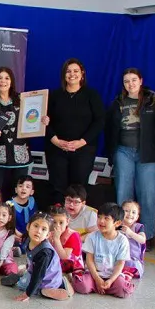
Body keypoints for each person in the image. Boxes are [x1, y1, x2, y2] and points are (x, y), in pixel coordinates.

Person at [105, 68, 155, 240]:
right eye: (126, 81)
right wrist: (112, 155)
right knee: (123, 194)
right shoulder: (117, 103)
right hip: (123, 152)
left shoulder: (153, 103)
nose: (130, 84)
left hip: (148, 154)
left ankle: (147, 236)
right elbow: (110, 131)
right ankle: (122, 235)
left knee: (148, 196)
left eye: (133, 80)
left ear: (140, 81)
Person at [44, 58, 106, 204]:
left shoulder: (92, 95)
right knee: (57, 188)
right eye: (68, 71)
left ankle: (77, 224)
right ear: (63, 75)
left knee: (78, 189)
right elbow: (44, 121)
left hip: (83, 150)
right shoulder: (54, 95)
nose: (72, 74)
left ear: (82, 74)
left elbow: (100, 121)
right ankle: (58, 222)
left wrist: (81, 142)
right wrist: (56, 141)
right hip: (57, 150)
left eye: (76, 71)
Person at [73, 202, 136, 298]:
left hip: (113, 276)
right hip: (94, 274)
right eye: (99, 217)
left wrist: (110, 280)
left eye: (106, 218)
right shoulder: (92, 237)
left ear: (117, 223)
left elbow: (120, 264)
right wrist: (97, 279)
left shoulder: (122, 240)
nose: (101, 221)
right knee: (82, 286)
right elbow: (89, 260)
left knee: (124, 291)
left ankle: (106, 286)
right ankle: (99, 285)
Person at [10, 213, 74, 302]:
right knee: (23, 280)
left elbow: (38, 275)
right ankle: (23, 278)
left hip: (48, 279)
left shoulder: (44, 253)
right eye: (36, 226)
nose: (38, 231)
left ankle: (46, 290)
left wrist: (27, 294)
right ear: (28, 227)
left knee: (23, 286)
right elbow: (31, 259)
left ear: (48, 235)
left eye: (43, 229)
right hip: (36, 271)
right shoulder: (28, 239)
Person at [119, 200, 147, 278]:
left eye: (133, 212)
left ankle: (127, 273)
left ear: (137, 217)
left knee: (130, 264)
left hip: (131, 258)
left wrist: (130, 233)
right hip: (117, 257)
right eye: (126, 211)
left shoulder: (138, 227)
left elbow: (142, 240)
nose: (130, 214)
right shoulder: (116, 225)